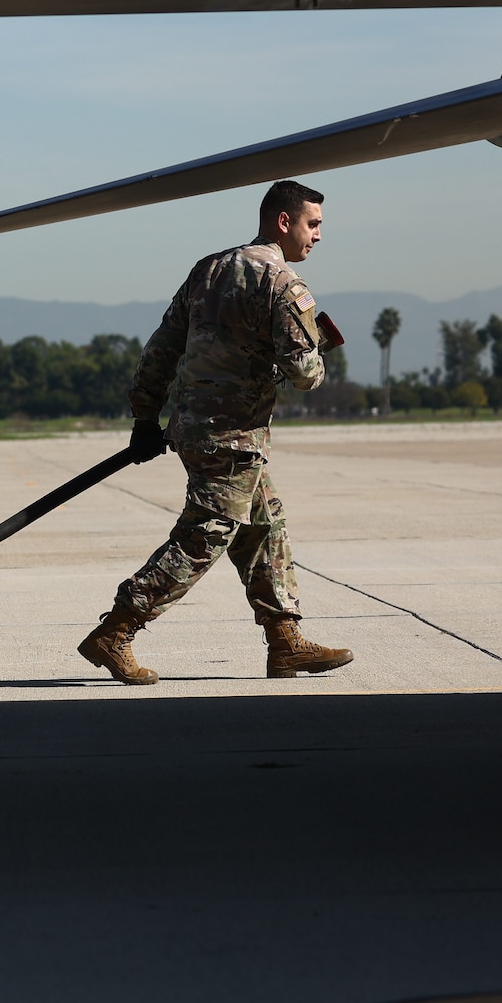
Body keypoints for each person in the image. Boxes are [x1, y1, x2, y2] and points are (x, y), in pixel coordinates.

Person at [80, 179, 354, 683]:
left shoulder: (208, 270)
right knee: (204, 537)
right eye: (313, 224)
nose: (318, 236)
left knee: (263, 526)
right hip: (232, 437)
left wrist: (145, 416)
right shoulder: (283, 285)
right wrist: (316, 348)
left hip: (193, 428)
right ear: (284, 221)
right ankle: (116, 630)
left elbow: (161, 348)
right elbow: (304, 375)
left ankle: (284, 640)